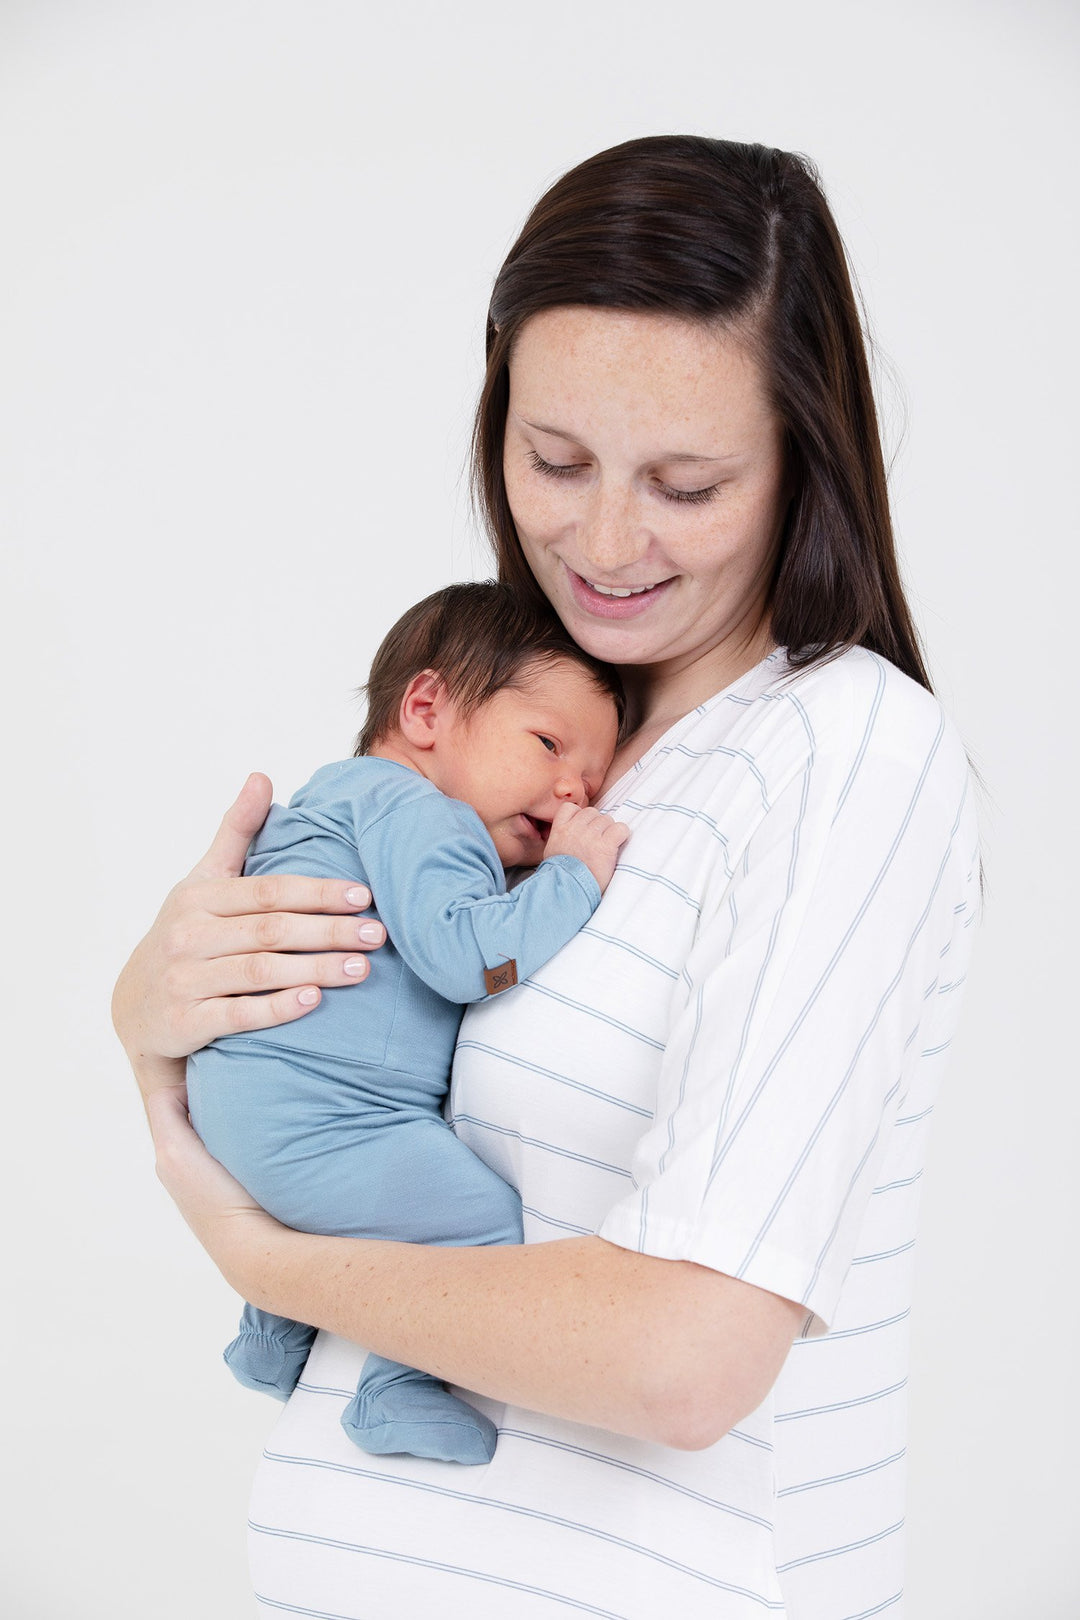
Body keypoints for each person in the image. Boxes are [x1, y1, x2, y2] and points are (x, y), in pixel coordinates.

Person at [113, 135, 979, 1619]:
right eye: (555, 461)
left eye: (687, 483)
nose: (603, 540)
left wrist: (260, 1258)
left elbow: (686, 1358)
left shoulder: (847, 754)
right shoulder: (542, 743)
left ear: (799, 464)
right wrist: (153, 1011)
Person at [186, 580, 628, 1467]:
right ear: (425, 708)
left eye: (593, 776)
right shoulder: (430, 818)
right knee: (481, 1230)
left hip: (239, 1100)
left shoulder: (340, 796)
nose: (572, 790)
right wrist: (572, 880)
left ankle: (273, 1336)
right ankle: (401, 1386)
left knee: (351, 1206)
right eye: (548, 743)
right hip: (326, 1113)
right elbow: (464, 956)